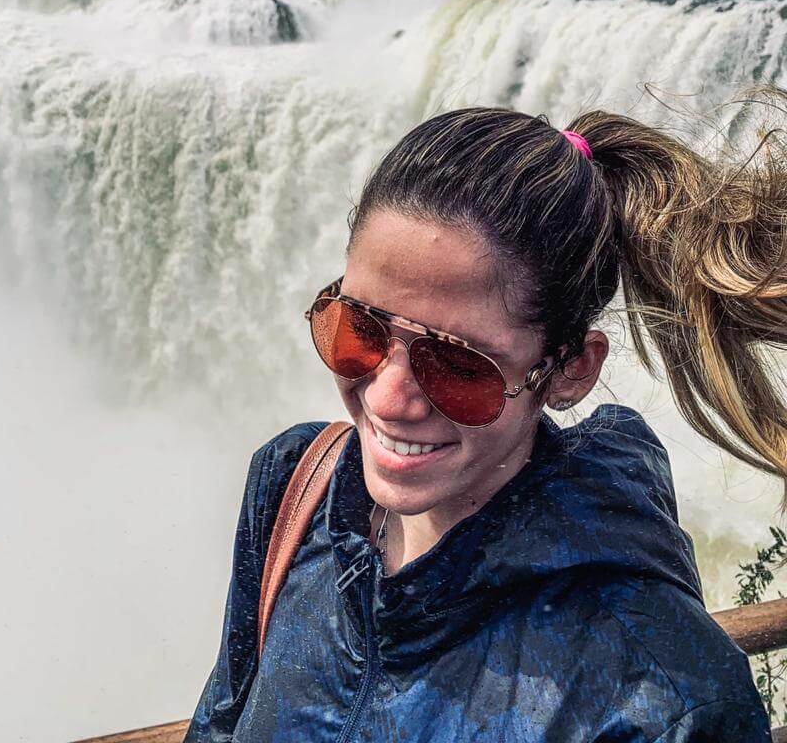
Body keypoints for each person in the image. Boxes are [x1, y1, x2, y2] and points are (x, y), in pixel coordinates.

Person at [185, 100, 787, 741]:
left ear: (569, 371)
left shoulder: (658, 701)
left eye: (456, 367)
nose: (388, 399)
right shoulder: (292, 493)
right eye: (358, 329)